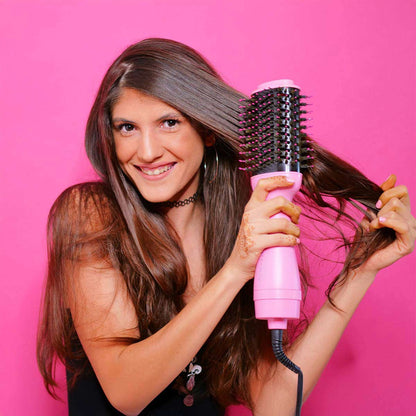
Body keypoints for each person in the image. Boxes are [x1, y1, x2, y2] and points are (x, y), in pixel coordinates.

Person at [37, 38, 415, 416]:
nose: (147, 151)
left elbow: (273, 405)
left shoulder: (241, 228)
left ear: (207, 130)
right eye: (127, 128)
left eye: (169, 123)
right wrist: (236, 269)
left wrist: (359, 274)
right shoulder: (90, 215)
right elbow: (126, 391)